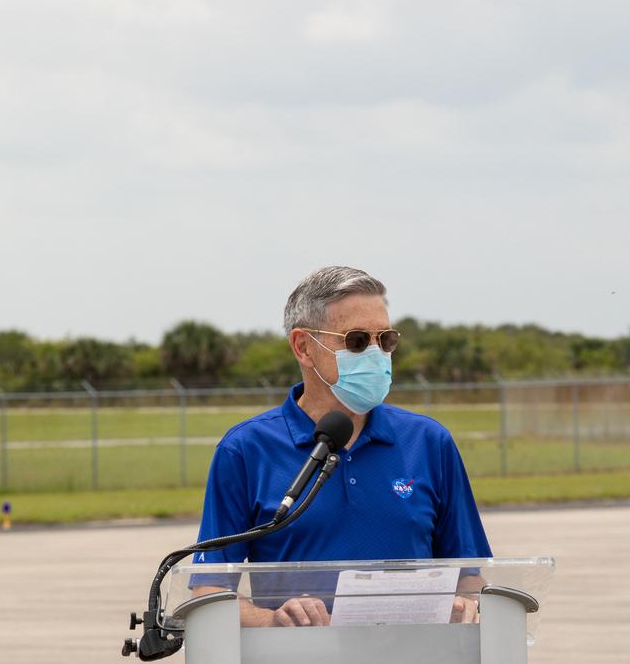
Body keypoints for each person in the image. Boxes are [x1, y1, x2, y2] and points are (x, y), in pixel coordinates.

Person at [194, 265, 491, 625]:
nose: (376, 353)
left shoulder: (429, 442)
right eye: (356, 340)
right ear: (303, 347)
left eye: (385, 340)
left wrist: (465, 603)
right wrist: (272, 619)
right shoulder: (244, 450)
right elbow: (208, 593)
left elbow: (469, 575)